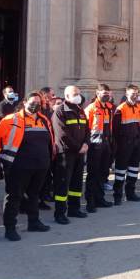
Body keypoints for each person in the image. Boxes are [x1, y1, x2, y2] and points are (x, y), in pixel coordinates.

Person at [0, 92, 54, 241]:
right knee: (14, 197)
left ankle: (33, 222)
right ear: (25, 102)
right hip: (17, 167)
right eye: (32, 102)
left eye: (38, 102)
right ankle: (10, 228)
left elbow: (50, 141)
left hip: (40, 166)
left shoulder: (44, 119)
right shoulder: (10, 119)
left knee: (34, 195)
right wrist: (2, 160)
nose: (35, 105)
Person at [51, 85, 89, 224]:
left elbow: (87, 129)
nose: (78, 96)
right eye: (75, 94)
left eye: (79, 93)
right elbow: (62, 134)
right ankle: (60, 213)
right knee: (62, 183)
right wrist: (79, 147)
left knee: (76, 182)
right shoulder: (60, 111)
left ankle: (74, 208)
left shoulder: (80, 110)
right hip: (66, 154)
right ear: (66, 96)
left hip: (80, 153)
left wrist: (86, 144)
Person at [84, 84, 115, 212]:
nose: (106, 95)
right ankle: (90, 202)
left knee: (103, 174)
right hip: (94, 146)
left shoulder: (109, 108)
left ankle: (100, 199)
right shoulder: (91, 108)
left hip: (106, 145)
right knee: (93, 174)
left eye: (108, 93)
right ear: (97, 93)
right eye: (103, 92)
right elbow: (86, 130)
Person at [111, 85, 140, 205]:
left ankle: (131, 193)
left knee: (134, 170)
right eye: (132, 93)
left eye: (136, 93)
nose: (135, 95)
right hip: (124, 144)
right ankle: (117, 195)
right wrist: (119, 145)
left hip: (136, 143)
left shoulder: (138, 107)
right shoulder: (121, 108)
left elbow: (139, 124)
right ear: (126, 93)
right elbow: (115, 129)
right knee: (120, 170)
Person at [38, 86, 56, 209]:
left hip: (49, 145)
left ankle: (44, 195)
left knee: (46, 174)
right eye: (52, 95)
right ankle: (39, 199)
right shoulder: (40, 110)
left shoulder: (49, 109)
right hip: (39, 147)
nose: (53, 97)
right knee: (40, 177)